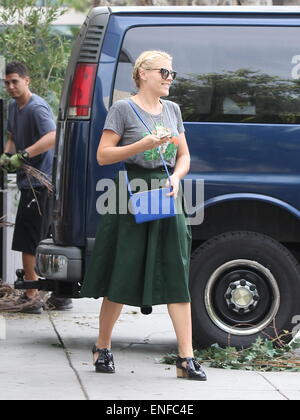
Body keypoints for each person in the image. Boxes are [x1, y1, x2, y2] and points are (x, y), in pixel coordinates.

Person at [80, 50, 207, 381]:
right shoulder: (123, 108)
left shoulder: (173, 110)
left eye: (171, 72)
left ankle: (186, 358)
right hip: (132, 193)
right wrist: (143, 144)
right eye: (164, 71)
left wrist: (177, 178)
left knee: (176, 269)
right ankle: (103, 346)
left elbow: (184, 155)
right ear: (142, 73)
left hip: (166, 194)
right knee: (124, 267)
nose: (169, 77)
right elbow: (104, 155)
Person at [1, 61, 72, 313]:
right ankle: (62, 296)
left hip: (40, 184)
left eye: (15, 82)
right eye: (6, 82)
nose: (10, 86)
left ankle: (31, 295)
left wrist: (23, 155)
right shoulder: (13, 106)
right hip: (29, 183)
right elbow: (11, 135)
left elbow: (53, 136)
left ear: (27, 80)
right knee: (50, 238)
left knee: (28, 240)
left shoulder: (36, 107)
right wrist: (6, 155)